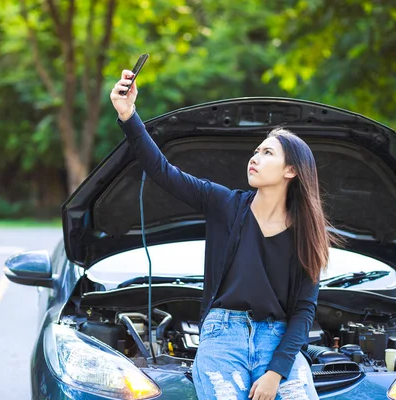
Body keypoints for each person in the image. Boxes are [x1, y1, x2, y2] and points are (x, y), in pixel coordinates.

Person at [110, 69, 343, 400]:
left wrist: (276, 372)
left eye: (268, 153)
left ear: (291, 171)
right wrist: (128, 115)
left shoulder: (307, 233)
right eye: (257, 151)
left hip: (276, 340)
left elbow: (304, 311)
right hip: (222, 336)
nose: (255, 158)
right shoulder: (224, 204)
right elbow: (163, 171)